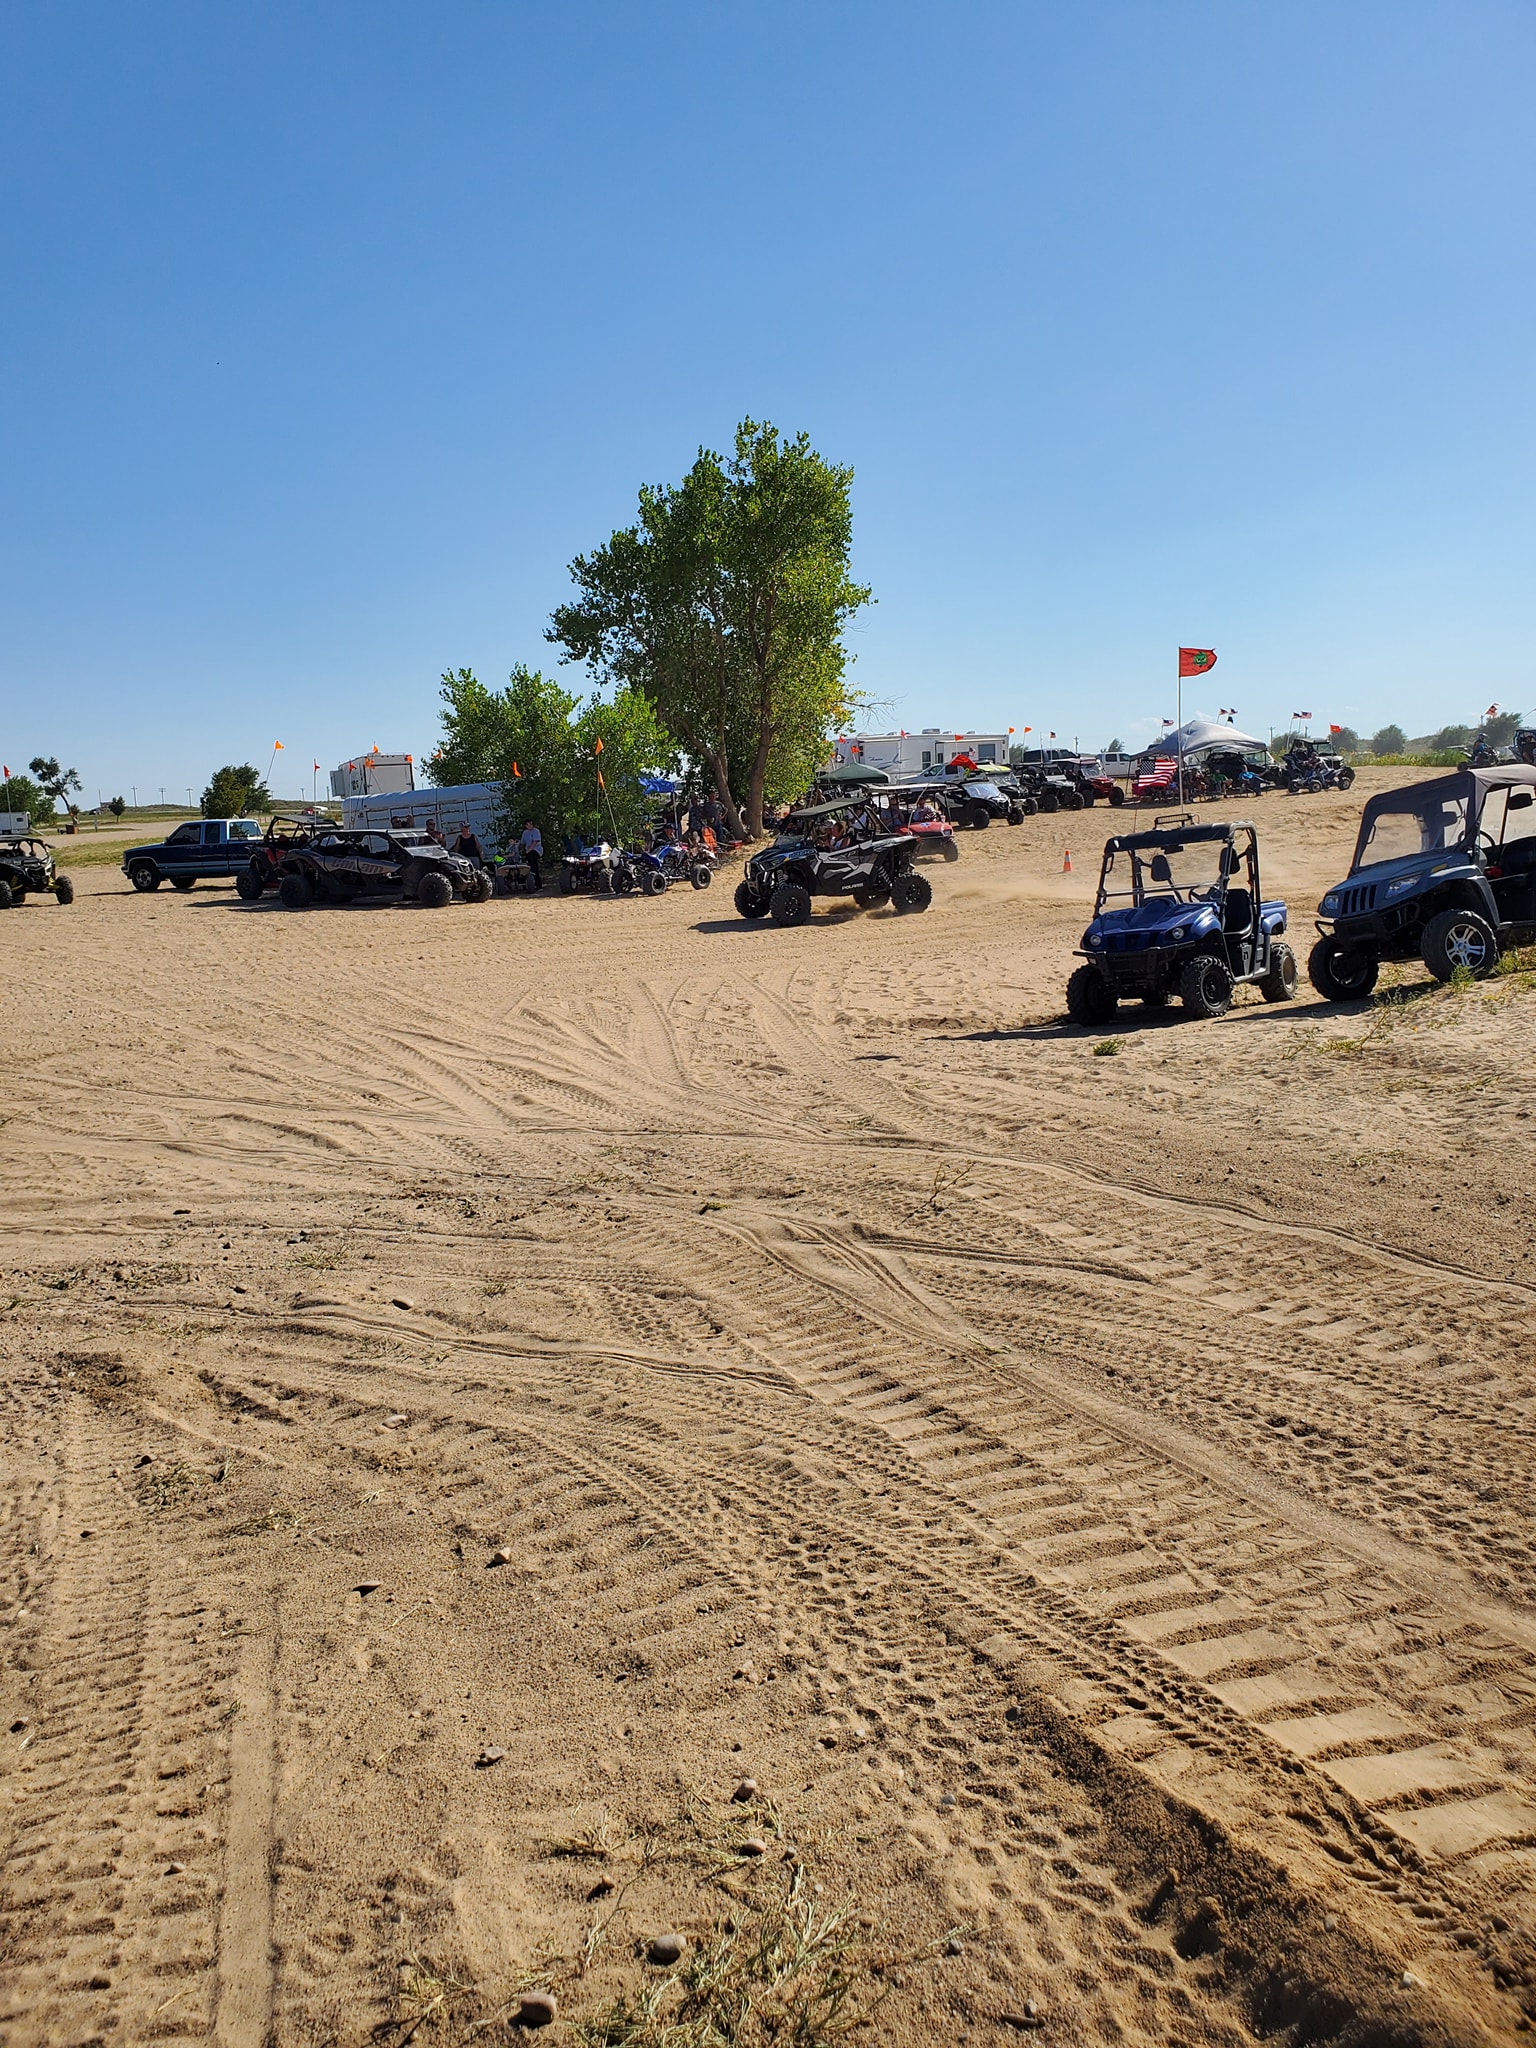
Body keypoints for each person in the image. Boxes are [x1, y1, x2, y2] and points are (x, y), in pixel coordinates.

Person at [518, 818, 543, 888]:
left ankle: (538, 884)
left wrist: (529, 850)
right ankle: (524, 880)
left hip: (536, 850)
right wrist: (520, 850)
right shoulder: (525, 833)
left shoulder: (536, 831)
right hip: (527, 851)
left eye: (531, 824)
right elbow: (522, 843)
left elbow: (535, 842)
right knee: (524, 861)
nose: (530, 826)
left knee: (532, 860)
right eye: (528, 825)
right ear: (526, 826)